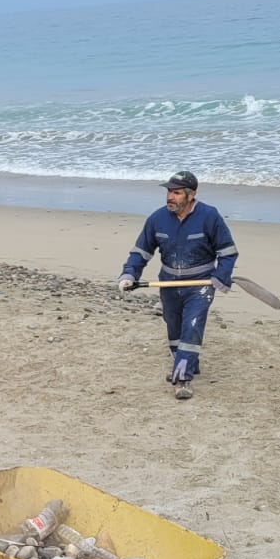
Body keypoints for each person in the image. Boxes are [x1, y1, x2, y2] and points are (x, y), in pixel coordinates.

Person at [118, 170, 238, 401]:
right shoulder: (157, 219)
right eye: (168, 192)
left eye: (176, 193)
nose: (169, 197)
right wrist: (129, 273)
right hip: (168, 282)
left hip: (200, 285)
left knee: (192, 325)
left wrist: (221, 276)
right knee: (173, 327)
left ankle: (183, 378)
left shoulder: (209, 216)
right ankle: (187, 361)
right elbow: (141, 251)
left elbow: (228, 252)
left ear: (191, 195)